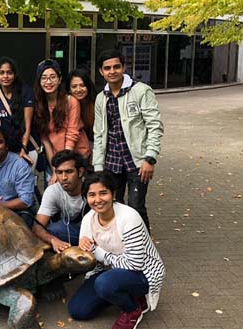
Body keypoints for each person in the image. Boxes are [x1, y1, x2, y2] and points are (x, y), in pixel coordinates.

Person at [68, 171, 165, 329]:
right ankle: (119, 293)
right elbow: (89, 256)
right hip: (108, 272)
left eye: (103, 193)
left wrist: (97, 252)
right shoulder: (88, 219)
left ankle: (133, 308)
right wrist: (82, 248)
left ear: (113, 194)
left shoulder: (129, 218)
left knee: (105, 283)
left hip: (142, 273)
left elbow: (135, 264)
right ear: (86, 198)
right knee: (78, 310)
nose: (98, 200)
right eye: (91, 195)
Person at [93, 49, 163, 230]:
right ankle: (121, 246)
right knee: (113, 207)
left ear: (123, 67)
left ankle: (143, 251)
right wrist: (98, 167)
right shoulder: (101, 98)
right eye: (107, 68)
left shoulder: (140, 91)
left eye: (116, 66)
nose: (112, 71)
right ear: (101, 71)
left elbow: (154, 126)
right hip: (112, 163)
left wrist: (150, 158)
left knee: (136, 208)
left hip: (137, 162)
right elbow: (99, 134)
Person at [34, 59, 90, 182]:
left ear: (59, 80)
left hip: (76, 156)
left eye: (53, 77)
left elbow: (72, 134)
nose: (48, 81)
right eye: (44, 78)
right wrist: (55, 169)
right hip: (54, 159)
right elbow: (45, 139)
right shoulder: (38, 106)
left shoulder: (71, 101)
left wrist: (63, 168)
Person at [0, 57, 38, 167]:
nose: (5, 76)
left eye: (9, 73)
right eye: (2, 73)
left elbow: (27, 126)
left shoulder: (26, 92)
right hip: (7, 149)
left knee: (25, 182)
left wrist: (23, 148)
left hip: (27, 147)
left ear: (14, 75)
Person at [31, 150, 87, 251]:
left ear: (80, 172)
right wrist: (53, 240)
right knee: (52, 230)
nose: (64, 177)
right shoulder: (53, 191)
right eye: (59, 172)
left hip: (93, 235)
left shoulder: (91, 189)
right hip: (69, 233)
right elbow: (38, 227)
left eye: (69, 172)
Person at [66, 68, 96, 155]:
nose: (78, 90)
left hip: (93, 149)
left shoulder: (96, 104)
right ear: (69, 89)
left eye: (82, 85)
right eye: (74, 86)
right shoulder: (66, 104)